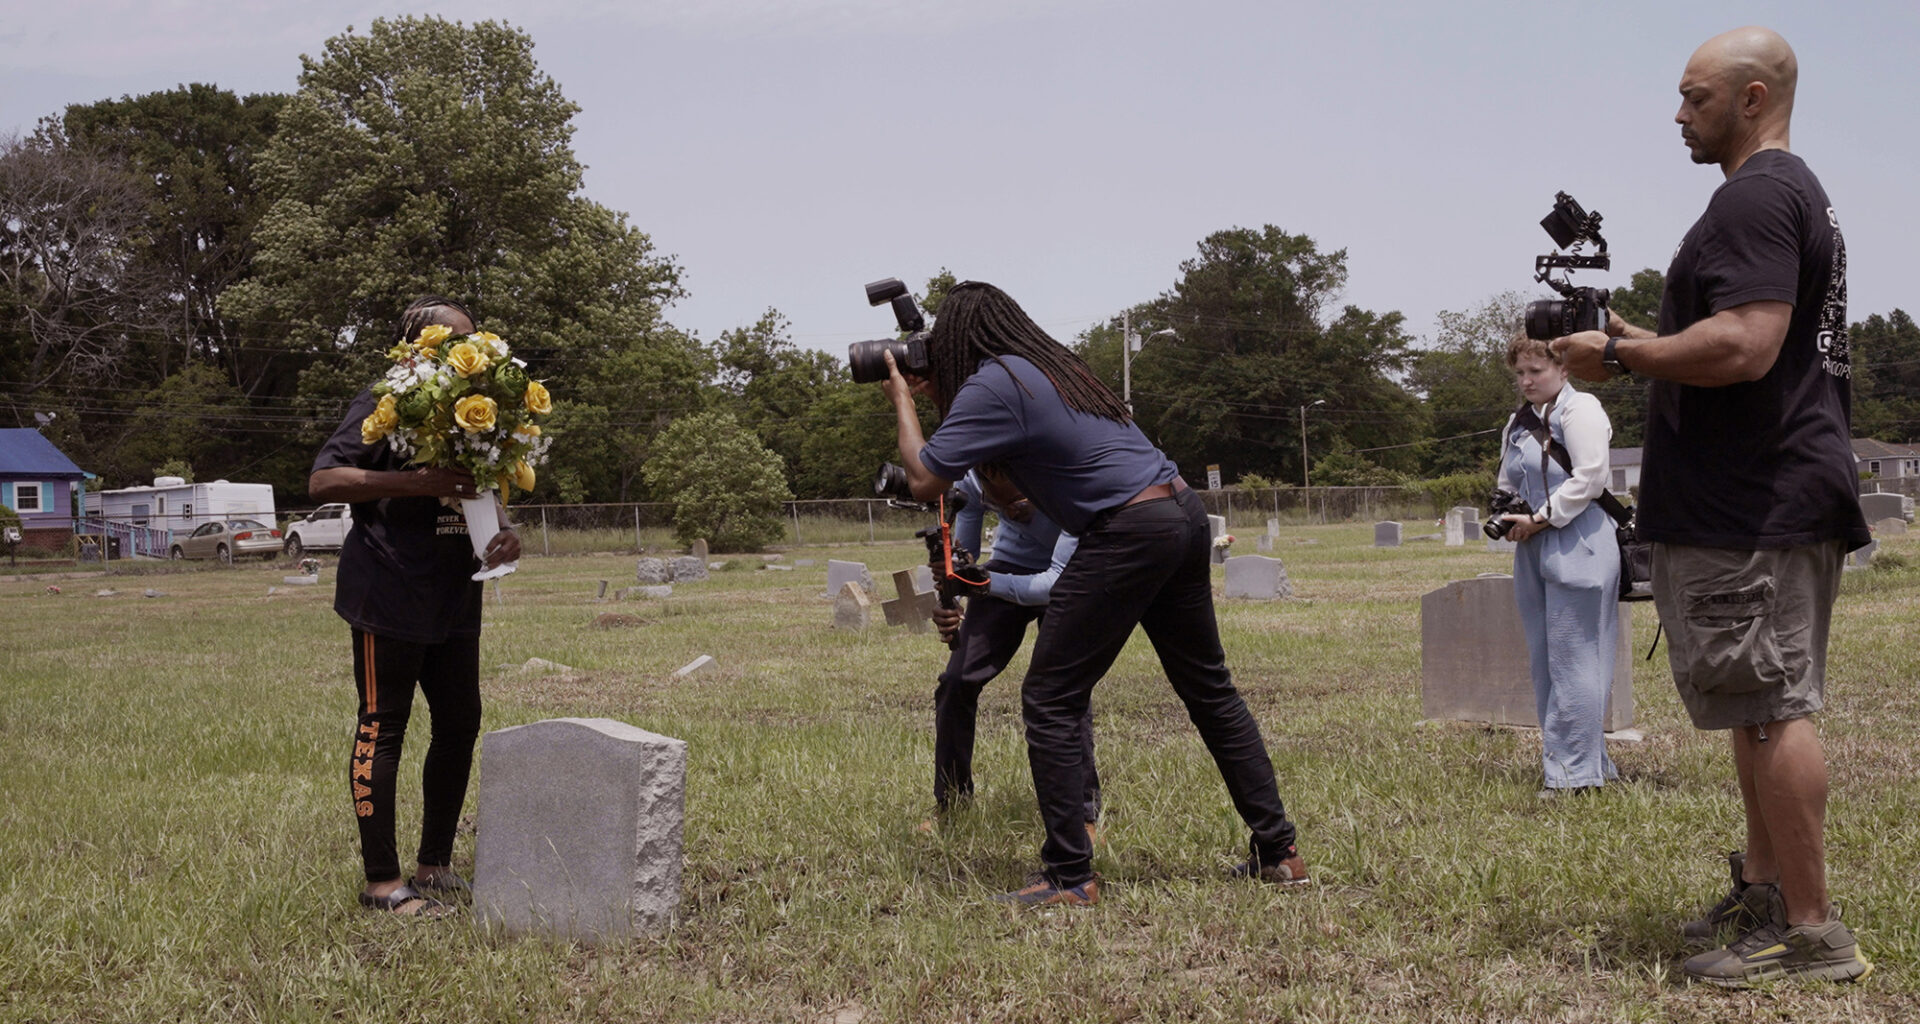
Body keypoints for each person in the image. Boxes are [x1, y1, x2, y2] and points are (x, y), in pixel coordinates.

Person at [1553, 27, 1872, 987]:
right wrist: (1651, 339)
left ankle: (1813, 934)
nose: (1678, 114)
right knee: (1753, 702)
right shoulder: (1790, 193)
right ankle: (1770, 896)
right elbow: (1738, 336)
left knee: (1772, 705)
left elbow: (1745, 345)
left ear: (1753, 97)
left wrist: (1619, 357)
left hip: (1756, 498)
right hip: (1767, 489)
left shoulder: (1756, 197)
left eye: (1695, 98)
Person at [882, 281, 1306, 906]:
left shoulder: (995, 384)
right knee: (1210, 690)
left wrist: (900, 395)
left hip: (1128, 529)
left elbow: (923, 479)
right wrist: (940, 391)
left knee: (1051, 696)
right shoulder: (1049, 368)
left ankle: (1070, 877)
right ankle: (1281, 854)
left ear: (959, 340)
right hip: (1180, 512)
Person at [310, 296, 522, 917]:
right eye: (450, 337)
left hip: (456, 592)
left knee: (459, 724)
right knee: (384, 726)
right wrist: (417, 482)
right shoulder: (384, 402)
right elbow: (324, 480)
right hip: (389, 590)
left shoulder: (473, 415)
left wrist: (506, 530)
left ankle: (434, 866)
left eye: (471, 337)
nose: (465, 347)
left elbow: (477, 490)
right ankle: (381, 883)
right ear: (414, 344)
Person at [926, 470, 1097, 839]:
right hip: (1009, 565)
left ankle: (1083, 814)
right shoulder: (973, 481)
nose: (1010, 513)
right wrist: (952, 597)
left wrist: (983, 584)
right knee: (955, 682)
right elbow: (964, 560)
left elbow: (1053, 583)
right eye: (997, 505)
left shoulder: (1065, 476)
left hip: (1067, 571)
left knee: (1064, 692)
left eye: (1019, 503)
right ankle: (952, 804)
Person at [1493, 336, 1619, 796]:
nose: (1526, 381)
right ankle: (1589, 765)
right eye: (1520, 373)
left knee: (1577, 659)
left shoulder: (1580, 409)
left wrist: (1541, 516)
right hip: (1531, 544)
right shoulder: (1519, 422)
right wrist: (1508, 514)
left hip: (1579, 536)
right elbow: (1507, 479)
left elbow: (1591, 477)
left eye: (1536, 372)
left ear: (1563, 370)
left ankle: (1572, 777)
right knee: (1546, 661)